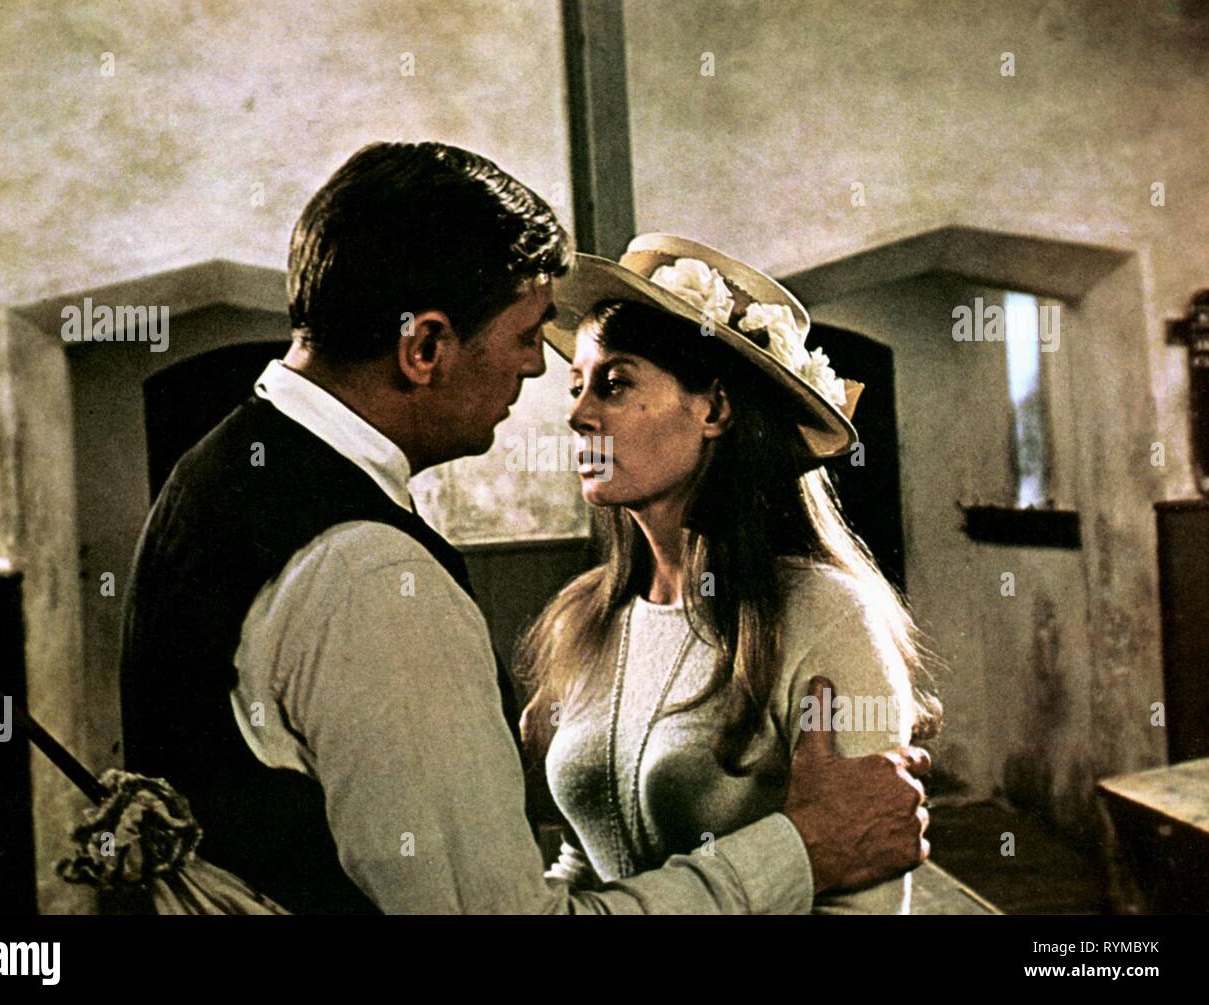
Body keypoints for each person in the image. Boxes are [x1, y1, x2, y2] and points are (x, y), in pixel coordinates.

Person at [118, 142, 931, 914]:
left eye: (613, 383)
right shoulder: (434, 587)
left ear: (716, 407)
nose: (554, 390)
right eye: (532, 346)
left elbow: (867, 874)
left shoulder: (216, 476)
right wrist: (798, 850)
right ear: (424, 346)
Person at [518, 235, 942, 912]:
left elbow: (867, 896)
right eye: (577, 386)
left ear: (714, 409)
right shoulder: (584, 617)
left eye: (615, 384)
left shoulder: (825, 614)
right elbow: (582, 856)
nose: (577, 414)